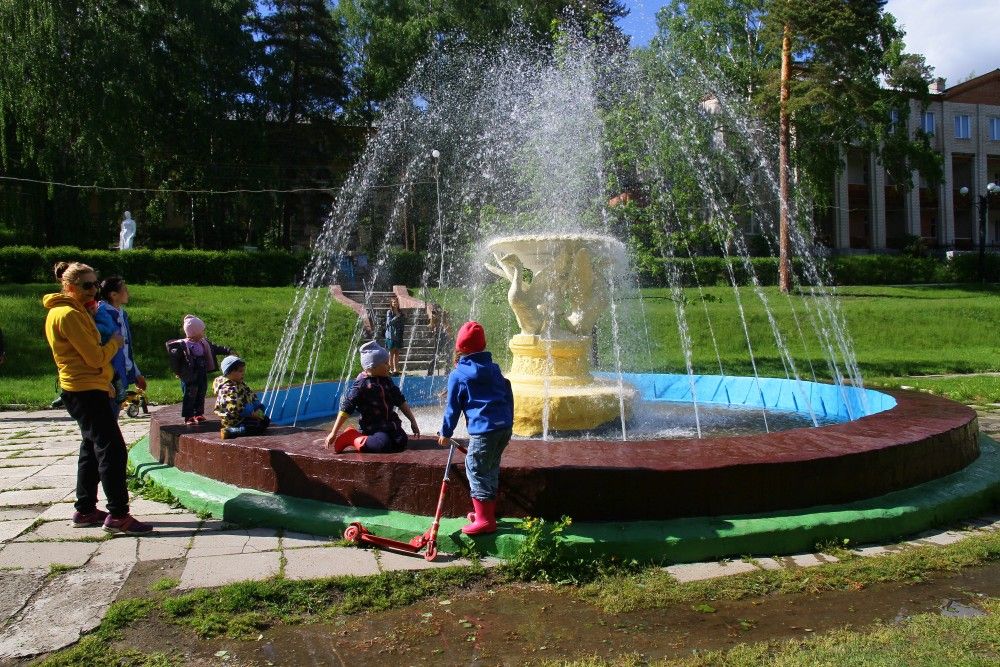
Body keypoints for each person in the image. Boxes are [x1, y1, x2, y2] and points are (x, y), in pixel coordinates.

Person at [43, 261, 153, 534]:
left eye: (95, 284)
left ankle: (85, 510)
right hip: (84, 390)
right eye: (86, 285)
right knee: (112, 449)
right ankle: (118, 515)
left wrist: (106, 382)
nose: (93, 290)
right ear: (69, 286)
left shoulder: (76, 311)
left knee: (91, 448)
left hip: (88, 386)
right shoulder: (68, 314)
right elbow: (94, 357)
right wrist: (115, 342)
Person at [438, 321, 514, 535]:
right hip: (503, 428)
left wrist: (445, 433)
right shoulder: (494, 368)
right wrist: (509, 420)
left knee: (476, 469)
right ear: (484, 345)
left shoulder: (459, 375)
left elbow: (452, 408)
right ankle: (485, 512)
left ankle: (485, 519)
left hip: (484, 431)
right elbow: (508, 392)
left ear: (459, 347)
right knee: (490, 468)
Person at [324, 341, 420, 453]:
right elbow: (347, 407)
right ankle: (352, 437)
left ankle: (376, 439)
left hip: (390, 425)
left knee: (401, 442)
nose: (389, 366)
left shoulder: (387, 381)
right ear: (372, 367)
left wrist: (413, 421)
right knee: (382, 445)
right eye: (385, 363)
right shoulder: (361, 384)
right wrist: (334, 432)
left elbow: (400, 401)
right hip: (373, 428)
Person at [166, 315, 232, 425]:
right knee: (190, 394)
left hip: (201, 371)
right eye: (202, 331)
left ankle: (198, 413)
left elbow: (215, 348)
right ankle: (188, 416)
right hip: (189, 374)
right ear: (194, 332)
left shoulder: (203, 343)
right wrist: (178, 371)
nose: (203, 333)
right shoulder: (183, 345)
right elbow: (175, 361)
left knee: (201, 392)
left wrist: (227, 350)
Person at [94, 277, 146, 413]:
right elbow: (100, 347)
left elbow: (125, 349)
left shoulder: (121, 314)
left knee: (113, 415)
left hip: (119, 375)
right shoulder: (103, 314)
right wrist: (106, 380)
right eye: (125, 290)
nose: (128, 293)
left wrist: (136, 373)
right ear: (114, 295)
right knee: (108, 416)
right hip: (108, 377)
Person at [214, 355, 270, 439]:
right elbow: (234, 406)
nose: (243, 373)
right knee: (255, 427)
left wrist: (258, 407)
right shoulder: (227, 389)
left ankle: (246, 426)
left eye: (243, 371)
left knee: (265, 420)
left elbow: (251, 395)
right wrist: (251, 413)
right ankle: (230, 431)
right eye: (240, 371)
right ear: (229, 373)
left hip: (245, 416)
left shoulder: (240, 384)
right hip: (234, 420)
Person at [384, 296, 405, 375]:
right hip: (391, 335)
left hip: (398, 335)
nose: (395, 303)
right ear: (391, 303)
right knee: (391, 352)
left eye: (396, 302)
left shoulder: (400, 312)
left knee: (397, 352)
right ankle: (390, 369)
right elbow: (389, 323)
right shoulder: (389, 312)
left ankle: (396, 369)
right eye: (393, 302)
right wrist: (396, 317)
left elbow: (402, 323)